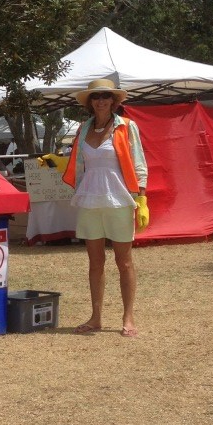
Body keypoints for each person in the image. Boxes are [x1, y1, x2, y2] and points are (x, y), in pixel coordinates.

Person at [41, 78, 149, 338]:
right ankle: (96, 317)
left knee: (124, 261)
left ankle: (128, 318)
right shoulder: (83, 128)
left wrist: (142, 199)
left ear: (114, 100)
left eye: (105, 96)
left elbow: (139, 164)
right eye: (96, 96)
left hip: (119, 199)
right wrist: (58, 161)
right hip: (89, 199)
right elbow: (80, 162)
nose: (101, 101)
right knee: (95, 261)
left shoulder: (127, 127)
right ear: (90, 102)